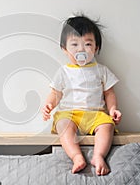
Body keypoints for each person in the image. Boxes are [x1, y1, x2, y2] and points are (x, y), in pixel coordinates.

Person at [42, 15, 122, 176]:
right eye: (74, 44)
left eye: (87, 44)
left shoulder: (101, 70)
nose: (81, 49)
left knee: (107, 126)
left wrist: (113, 109)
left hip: (96, 114)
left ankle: (98, 156)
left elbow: (109, 92)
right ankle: (76, 156)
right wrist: (49, 105)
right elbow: (55, 93)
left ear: (96, 48)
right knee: (63, 125)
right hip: (70, 114)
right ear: (64, 49)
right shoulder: (64, 71)